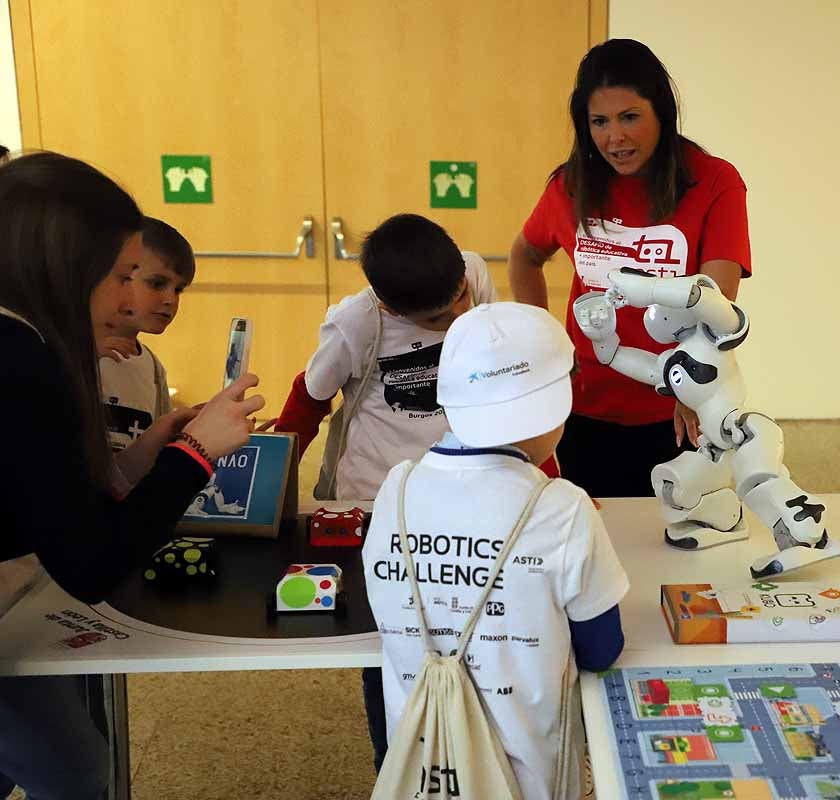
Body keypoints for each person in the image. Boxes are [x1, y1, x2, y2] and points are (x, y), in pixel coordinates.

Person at [0, 151, 264, 800]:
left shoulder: (27, 347)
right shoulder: (24, 362)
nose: (130, 301)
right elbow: (91, 562)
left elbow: (54, 504)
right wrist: (195, 454)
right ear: (65, 264)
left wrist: (149, 453)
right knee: (77, 771)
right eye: (124, 276)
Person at [364, 302, 627, 800]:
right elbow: (601, 650)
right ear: (553, 405)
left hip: (422, 764)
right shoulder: (562, 507)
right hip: (530, 779)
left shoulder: (395, 489)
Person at [272, 212, 499, 771]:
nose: (460, 315)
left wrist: (548, 480)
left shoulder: (472, 273)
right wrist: (268, 489)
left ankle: (473, 754)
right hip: (377, 499)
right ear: (391, 309)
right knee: (392, 641)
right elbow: (309, 399)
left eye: (461, 298)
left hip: (465, 486)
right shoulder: (355, 322)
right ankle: (394, 760)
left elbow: (501, 378)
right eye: (441, 318)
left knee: (472, 623)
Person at [509, 38, 753, 498]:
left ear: (660, 111)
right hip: (584, 402)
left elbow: (718, 305)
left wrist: (692, 393)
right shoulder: (570, 186)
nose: (614, 138)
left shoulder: (713, 182)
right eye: (599, 122)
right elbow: (525, 255)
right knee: (594, 539)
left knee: (675, 540)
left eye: (629, 117)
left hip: (677, 406)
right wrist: (545, 340)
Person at [98, 217, 194, 456]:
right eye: (157, 284)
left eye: (178, 289)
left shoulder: (152, 368)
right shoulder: (68, 353)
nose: (170, 299)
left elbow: (157, 449)